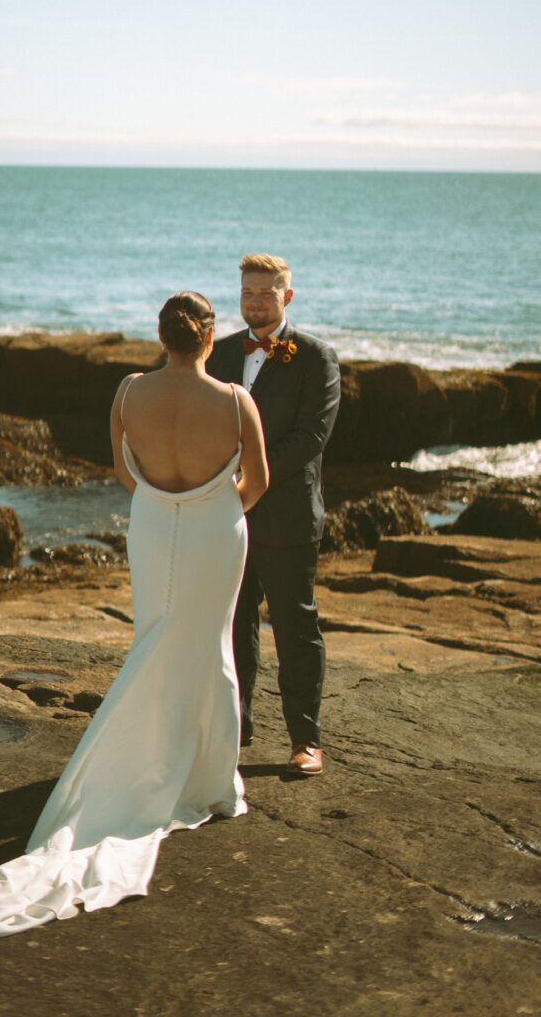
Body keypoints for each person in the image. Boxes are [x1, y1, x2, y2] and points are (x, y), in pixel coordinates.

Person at [0, 292, 268, 946]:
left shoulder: (128, 390)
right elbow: (257, 481)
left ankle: (157, 758)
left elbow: (123, 471)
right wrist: (209, 507)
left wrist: (167, 506)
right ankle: (209, 783)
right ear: (208, 338)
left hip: (149, 524)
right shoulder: (233, 400)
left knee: (154, 637)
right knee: (207, 645)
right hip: (214, 532)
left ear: (162, 336)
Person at [206, 254, 340, 776]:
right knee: (234, 625)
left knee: (295, 627)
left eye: (266, 293)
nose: (255, 302)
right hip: (227, 516)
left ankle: (306, 740)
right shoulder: (215, 356)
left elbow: (311, 437)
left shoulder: (317, 358)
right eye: (247, 293)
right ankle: (237, 727)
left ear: (288, 297)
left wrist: (250, 481)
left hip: (287, 518)